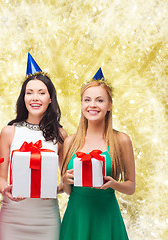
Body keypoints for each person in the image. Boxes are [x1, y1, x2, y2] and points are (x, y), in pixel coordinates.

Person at [0, 53, 67, 240]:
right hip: (12, 217)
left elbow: (65, 182)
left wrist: (57, 189)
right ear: (23, 97)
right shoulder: (9, 132)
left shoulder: (60, 135)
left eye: (41, 92)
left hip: (46, 219)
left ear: (50, 98)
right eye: (29, 92)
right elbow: (1, 179)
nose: (35, 98)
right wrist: (6, 190)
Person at [59, 68, 135, 240]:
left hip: (106, 215)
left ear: (109, 106)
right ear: (81, 105)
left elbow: (131, 187)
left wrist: (113, 184)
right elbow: (69, 191)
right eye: (87, 100)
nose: (92, 105)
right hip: (77, 216)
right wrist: (65, 181)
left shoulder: (121, 140)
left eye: (99, 100)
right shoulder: (71, 142)